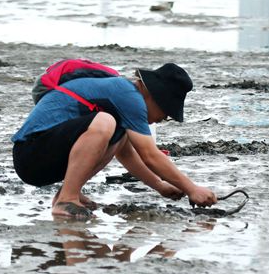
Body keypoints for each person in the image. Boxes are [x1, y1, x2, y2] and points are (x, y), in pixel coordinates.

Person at [12, 62, 218, 219]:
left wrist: (160, 186)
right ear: (153, 97)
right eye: (164, 113)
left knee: (117, 134)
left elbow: (125, 153)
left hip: (45, 157)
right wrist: (192, 189)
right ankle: (67, 199)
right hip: (30, 153)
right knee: (104, 122)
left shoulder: (124, 102)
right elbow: (149, 154)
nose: (160, 120)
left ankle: (67, 194)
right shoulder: (127, 95)